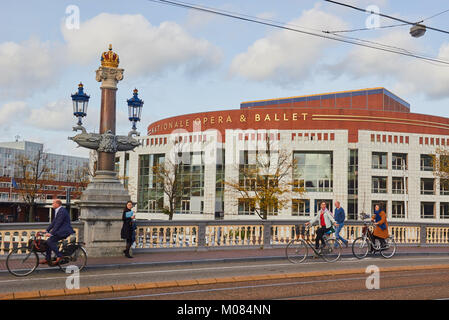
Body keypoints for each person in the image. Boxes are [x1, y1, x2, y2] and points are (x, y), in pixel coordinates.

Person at [40, 199, 74, 264]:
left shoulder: (62, 211)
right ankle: (48, 258)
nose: (52, 204)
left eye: (53, 203)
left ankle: (59, 256)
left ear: (57, 204)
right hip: (60, 231)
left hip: (64, 232)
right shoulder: (58, 210)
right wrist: (47, 230)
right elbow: (54, 222)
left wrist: (51, 233)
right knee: (48, 242)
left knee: (50, 241)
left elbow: (58, 223)